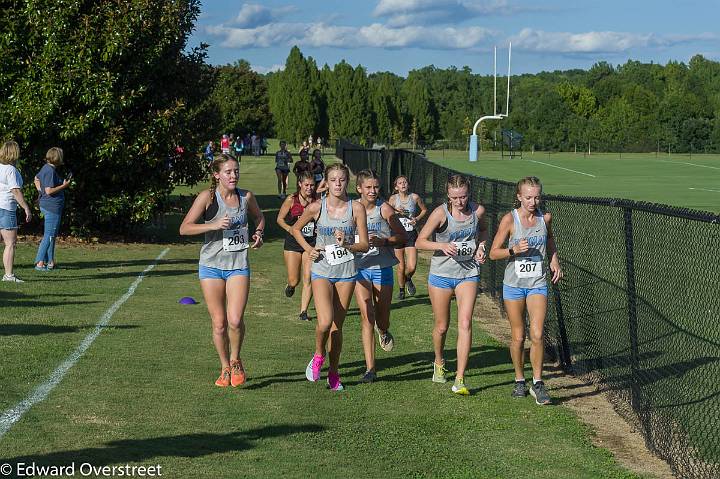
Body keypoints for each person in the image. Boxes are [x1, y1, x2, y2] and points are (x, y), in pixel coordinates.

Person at [179, 154, 265, 388]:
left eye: (236, 171)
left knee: (235, 320)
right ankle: (225, 366)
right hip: (211, 267)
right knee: (219, 323)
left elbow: (259, 217)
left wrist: (258, 234)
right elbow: (184, 228)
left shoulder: (246, 197)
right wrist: (213, 225)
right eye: (228, 172)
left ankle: (236, 360)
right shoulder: (207, 198)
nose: (233, 176)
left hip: (238, 265)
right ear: (217, 175)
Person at [291, 163, 369, 392]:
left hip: (346, 272)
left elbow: (363, 244)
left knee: (337, 327)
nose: (337, 184)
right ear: (326, 182)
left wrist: (346, 243)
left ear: (348, 182)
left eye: (342, 180)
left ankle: (334, 373)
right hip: (322, 270)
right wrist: (308, 248)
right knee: (324, 321)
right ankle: (318, 355)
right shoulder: (317, 207)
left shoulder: (356, 208)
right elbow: (296, 229)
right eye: (333, 180)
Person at [489, 176, 562, 405]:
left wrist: (554, 259)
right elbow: (493, 253)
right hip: (513, 285)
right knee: (519, 337)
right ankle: (519, 379)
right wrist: (513, 250)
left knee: (538, 334)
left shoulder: (545, 218)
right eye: (528, 197)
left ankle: (538, 383)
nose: (533, 201)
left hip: (538, 283)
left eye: (537, 196)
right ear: (519, 197)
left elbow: (549, 240)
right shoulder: (509, 221)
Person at [416, 174, 488, 395]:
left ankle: (460, 378)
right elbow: (420, 241)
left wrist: (482, 247)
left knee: (465, 322)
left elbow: (483, 231)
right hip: (441, 275)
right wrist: (442, 246)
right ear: (448, 195)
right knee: (442, 326)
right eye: (456, 197)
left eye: (464, 196)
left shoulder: (478, 211)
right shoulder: (440, 213)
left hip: (468, 273)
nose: (460, 201)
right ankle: (439, 361)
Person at [353, 170, 406, 383]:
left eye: (376, 187)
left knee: (382, 318)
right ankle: (370, 368)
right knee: (367, 315)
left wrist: (383, 241)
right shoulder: (353, 209)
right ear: (359, 189)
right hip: (360, 268)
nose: (373, 191)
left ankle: (383, 331)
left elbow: (402, 236)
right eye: (368, 187)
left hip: (382, 267)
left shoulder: (384, 209)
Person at [277, 171, 317, 321]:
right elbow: (280, 219)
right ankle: (290, 285)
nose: (309, 188)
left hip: (310, 243)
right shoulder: (291, 200)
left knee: (309, 277)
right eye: (306, 185)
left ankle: (303, 311)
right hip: (293, 243)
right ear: (300, 184)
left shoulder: (316, 201)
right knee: (295, 280)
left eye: (312, 185)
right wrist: (290, 229)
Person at [388, 175, 427, 300]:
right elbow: (386, 214)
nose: (403, 184)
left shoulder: (414, 197)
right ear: (396, 187)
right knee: (401, 266)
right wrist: (395, 212)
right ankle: (401, 291)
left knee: (412, 266)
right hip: (397, 234)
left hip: (410, 234)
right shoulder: (393, 199)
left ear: (408, 185)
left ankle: (408, 278)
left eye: (405, 182)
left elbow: (424, 210)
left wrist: (417, 219)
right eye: (400, 183)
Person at [33, 147, 71, 271]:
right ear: (57, 158)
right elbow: (49, 191)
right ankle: (39, 263)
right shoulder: (50, 171)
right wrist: (64, 186)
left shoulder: (46, 168)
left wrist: (40, 191)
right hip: (52, 207)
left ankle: (50, 262)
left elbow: (36, 179)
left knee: (51, 235)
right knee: (49, 235)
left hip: (48, 205)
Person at [0, 141, 32, 283]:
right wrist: (26, 207)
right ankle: (9, 275)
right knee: (10, 243)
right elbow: (15, 190)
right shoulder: (11, 170)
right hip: (6, 208)